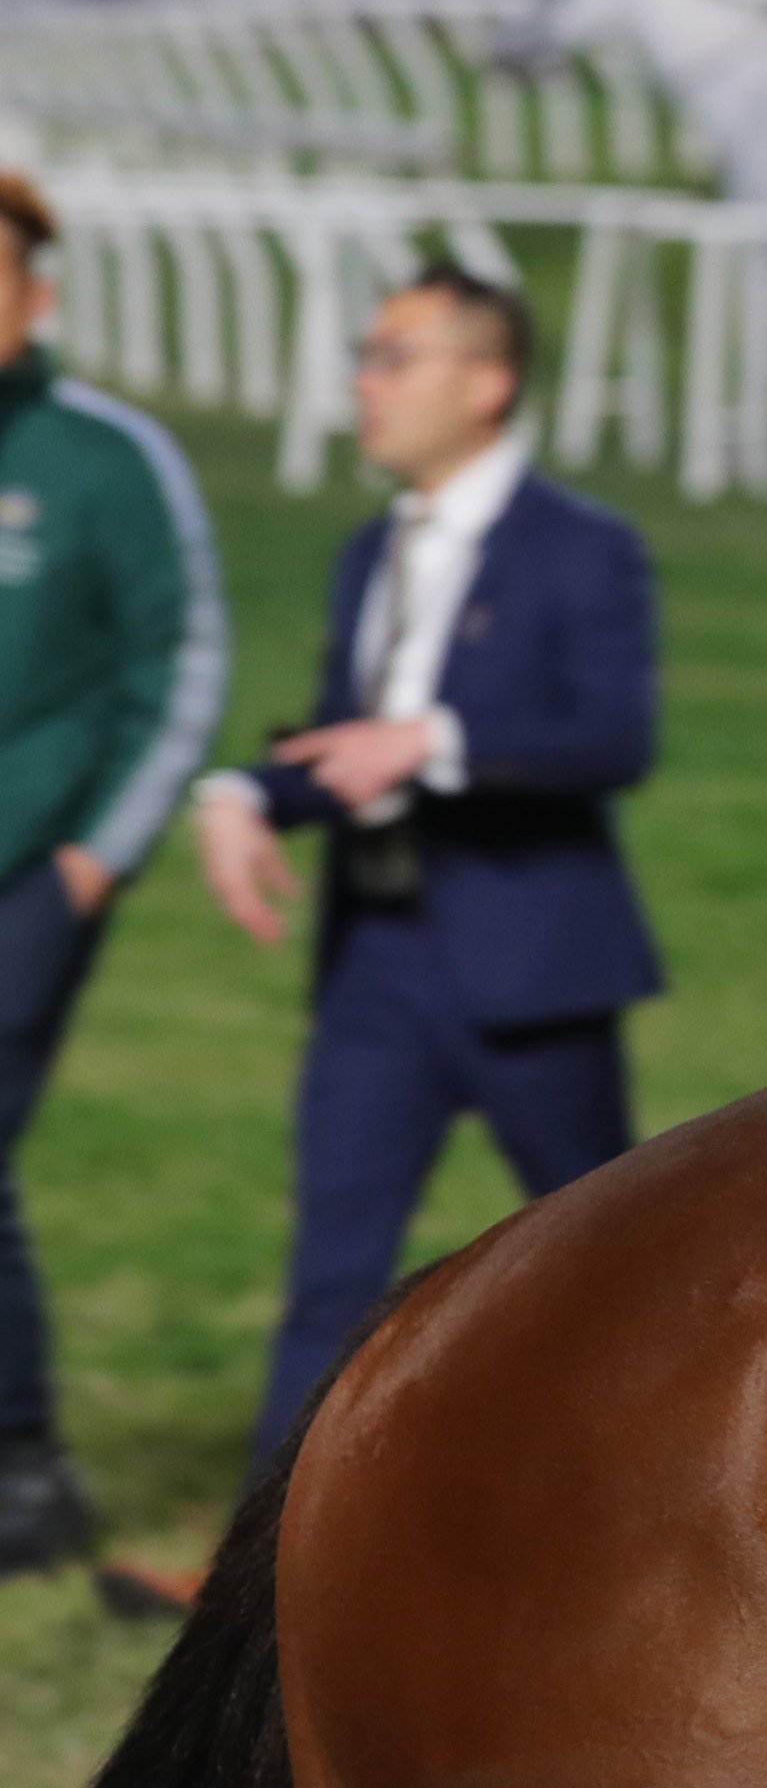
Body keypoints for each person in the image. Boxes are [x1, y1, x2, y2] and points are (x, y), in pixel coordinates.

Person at [196, 265, 661, 1465]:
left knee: (610, 1275)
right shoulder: (371, 551)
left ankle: (647, 1528)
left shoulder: (582, 549)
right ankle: (263, 1596)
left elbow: (615, 738)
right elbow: (342, 741)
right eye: (365, 357)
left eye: (393, 357)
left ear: (488, 380)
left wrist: (435, 739)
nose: (366, 383)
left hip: (534, 971)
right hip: (377, 963)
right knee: (330, 1279)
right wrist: (248, 789)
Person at [0, 174, 224, 1573]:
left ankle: (27, 1462)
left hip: (33, 871)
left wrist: (98, 854)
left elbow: (180, 657)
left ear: (38, 298)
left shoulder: (105, 456)